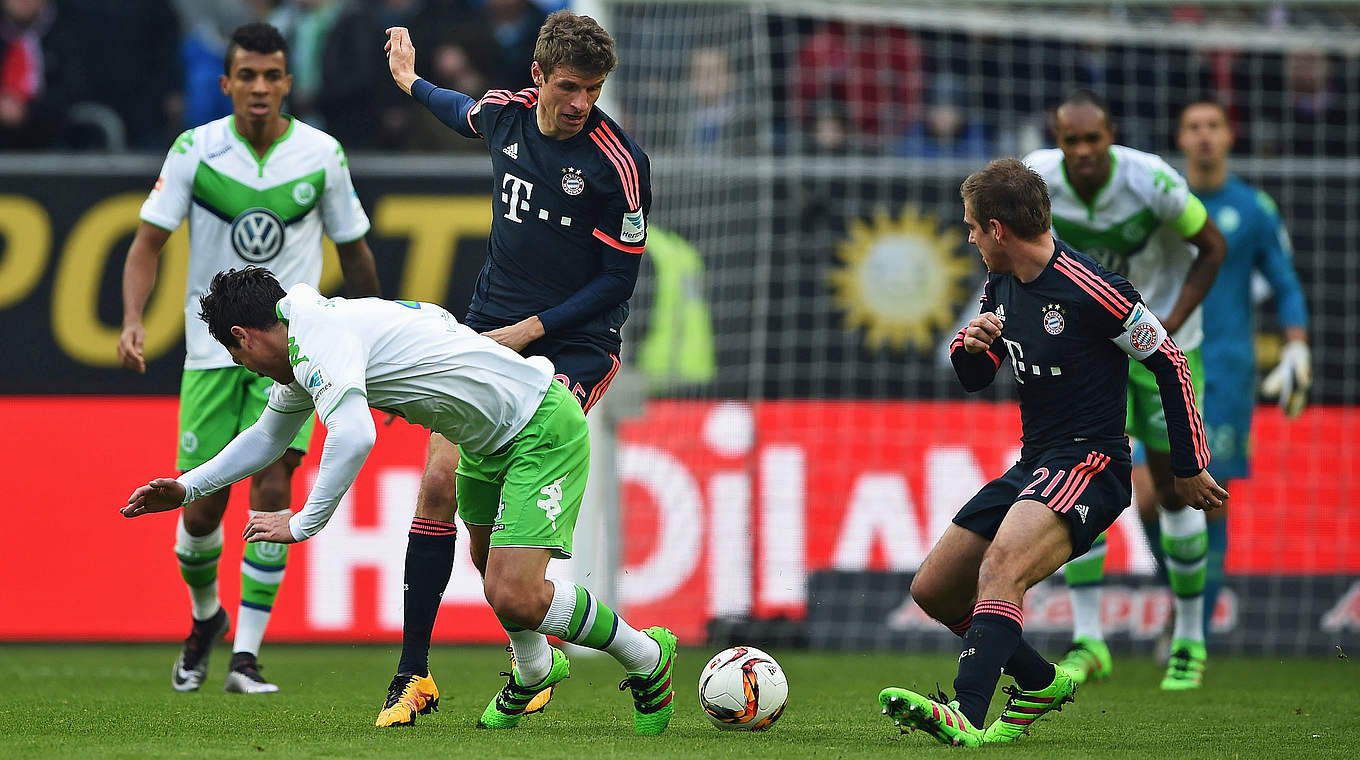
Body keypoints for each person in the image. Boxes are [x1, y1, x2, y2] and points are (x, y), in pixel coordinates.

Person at [120, 268, 678, 735]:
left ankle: (647, 658)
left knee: (515, 594)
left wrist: (304, 523)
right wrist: (188, 486)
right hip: (484, 441)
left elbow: (356, 434)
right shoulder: (305, 335)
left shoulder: (317, 339)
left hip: (539, 424)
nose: (246, 368)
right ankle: (535, 668)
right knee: (492, 572)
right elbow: (268, 435)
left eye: (237, 355)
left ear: (243, 336)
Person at [880, 158, 1224, 747]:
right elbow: (974, 374)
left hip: (1092, 463)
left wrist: (1190, 465)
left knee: (1001, 570)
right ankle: (1040, 682)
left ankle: (966, 711)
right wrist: (971, 345)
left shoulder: (1095, 290)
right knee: (934, 590)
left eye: (970, 227)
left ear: (997, 229)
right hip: (1035, 461)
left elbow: (1170, 361)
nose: (967, 238)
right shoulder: (1002, 282)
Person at [378, 12, 651, 727]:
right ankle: (417, 673)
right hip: (487, 332)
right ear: (537, 79)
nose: (581, 103)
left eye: (592, 90)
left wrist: (528, 333)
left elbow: (617, 283)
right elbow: (458, 109)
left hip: (572, 350)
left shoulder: (617, 164)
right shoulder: (506, 116)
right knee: (442, 485)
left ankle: (594, 655)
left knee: (508, 550)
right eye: (568, 87)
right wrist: (410, 81)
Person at [117, 22, 380, 695]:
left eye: (272, 76)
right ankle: (207, 618)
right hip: (211, 356)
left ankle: (246, 658)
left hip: (289, 356)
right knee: (199, 507)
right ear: (227, 81)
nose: (260, 87)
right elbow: (147, 242)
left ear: (288, 82)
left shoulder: (322, 154)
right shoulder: (194, 151)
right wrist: (132, 320)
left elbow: (355, 255)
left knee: (272, 488)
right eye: (248, 76)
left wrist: (367, 338)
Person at [1023, 89, 1226, 690]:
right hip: (1090, 348)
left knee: (1171, 488)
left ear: (1111, 134)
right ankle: (1089, 640)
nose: (1084, 150)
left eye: (1094, 138)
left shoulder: (1151, 182)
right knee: (1074, 481)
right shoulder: (1037, 179)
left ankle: (1189, 636)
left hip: (1164, 345)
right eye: (1072, 140)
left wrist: (1168, 319)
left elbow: (1213, 247)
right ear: (1059, 143)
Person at [1177, 100, 1311, 637]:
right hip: (1163, 360)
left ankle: (1194, 633)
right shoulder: (1167, 203)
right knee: (1142, 488)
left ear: (1230, 136)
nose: (1205, 136)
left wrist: (1297, 345)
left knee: (1210, 496)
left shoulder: (1253, 208)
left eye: (1214, 126)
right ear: (1181, 138)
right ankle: (1183, 597)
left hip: (1228, 368)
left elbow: (1284, 281)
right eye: (1194, 127)